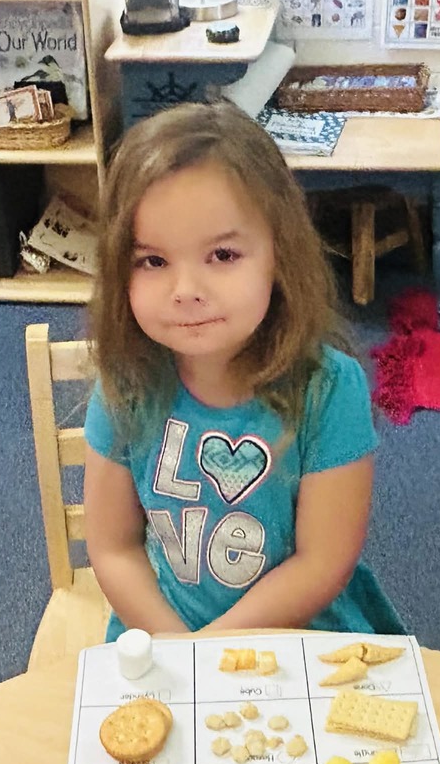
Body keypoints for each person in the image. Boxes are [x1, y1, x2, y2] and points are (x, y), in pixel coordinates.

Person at [83, 100, 406, 642]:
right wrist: (179, 648)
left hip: (296, 636)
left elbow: (321, 564)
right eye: (153, 261)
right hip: (162, 638)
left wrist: (207, 653)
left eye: (224, 256)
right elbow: (114, 548)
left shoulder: (329, 389)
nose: (186, 290)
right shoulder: (126, 384)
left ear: (278, 254)